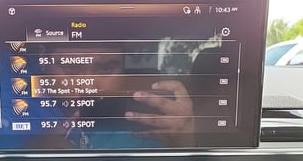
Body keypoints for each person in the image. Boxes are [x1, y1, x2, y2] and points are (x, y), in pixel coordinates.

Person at [29, 42, 194, 149]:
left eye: (106, 69)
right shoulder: (21, 109)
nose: (89, 86)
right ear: (43, 58)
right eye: (72, 68)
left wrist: (185, 143)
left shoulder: (151, 125)